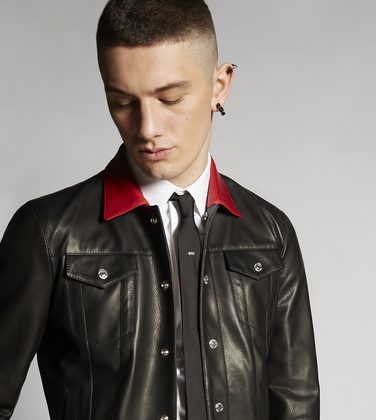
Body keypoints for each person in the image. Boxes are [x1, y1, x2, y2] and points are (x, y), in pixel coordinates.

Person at [0, 0, 320, 419]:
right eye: (122, 102)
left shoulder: (270, 233)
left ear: (220, 85)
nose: (147, 128)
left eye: (170, 99)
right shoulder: (49, 233)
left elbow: (298, 407)